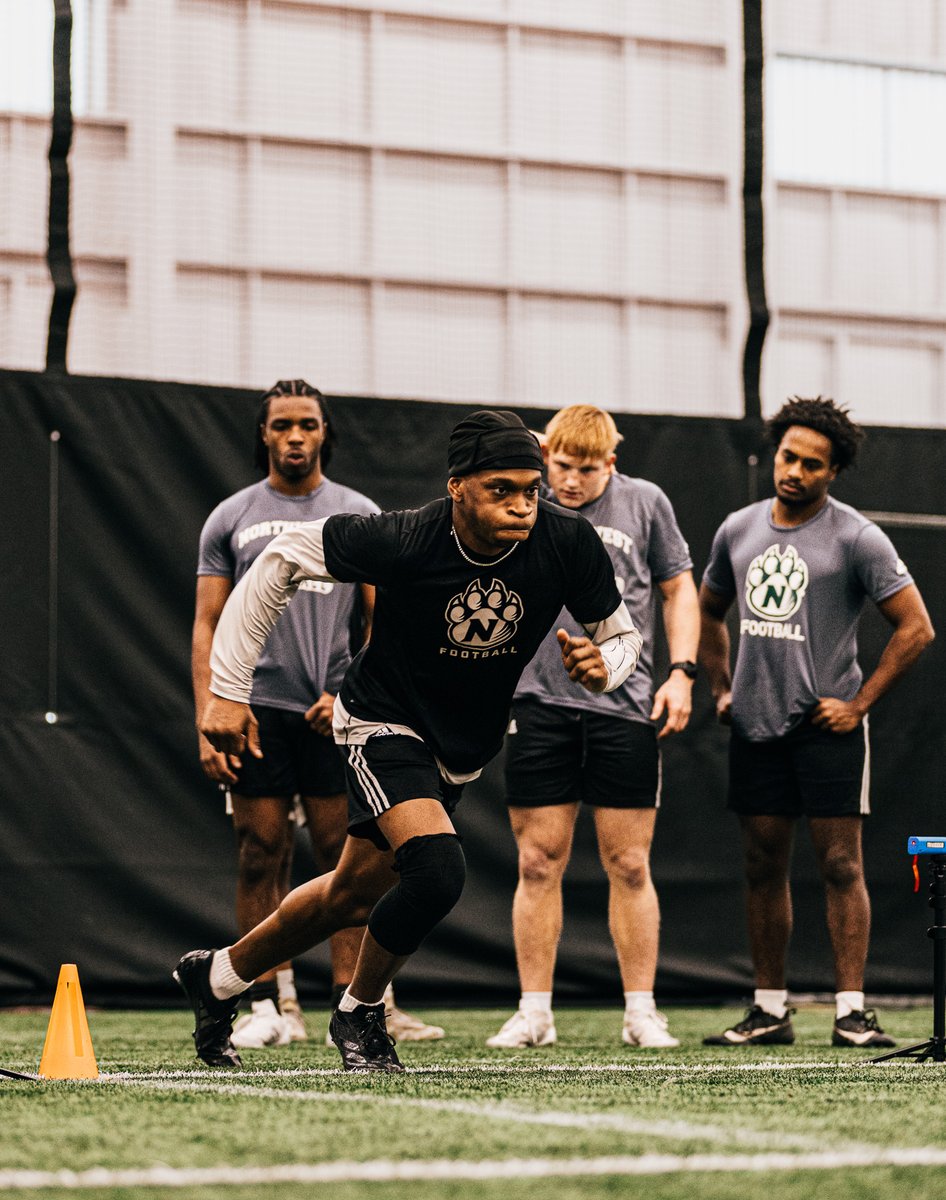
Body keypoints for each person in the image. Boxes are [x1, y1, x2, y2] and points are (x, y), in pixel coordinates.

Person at [175, 409, 643, 1072]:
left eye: (530, 490)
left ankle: (218, 976)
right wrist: (228, 690)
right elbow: (280, 560)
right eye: (501, 490)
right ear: (457, 487)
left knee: (349, 894)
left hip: (462, 746)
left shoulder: (567, 541)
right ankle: (361, 1012)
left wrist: (605, 668)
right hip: (381, 720)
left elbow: (620, 636)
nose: (522, 505)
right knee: (437, 870)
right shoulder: (404, 537)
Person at [192, 378, 442, 1051]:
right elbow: (208, 622)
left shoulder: (357, 511)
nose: (295, 436)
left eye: (307, 424)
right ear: (264, 435)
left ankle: (353, 1004)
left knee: (348, 863)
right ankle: (266, 1005)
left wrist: (352, 692)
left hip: (335, 713)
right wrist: (211, 709)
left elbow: (385, 619)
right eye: (282, 425)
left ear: (325, 432)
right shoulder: (231, 517)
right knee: (259, 853)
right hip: (255, 710)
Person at [699, 397, 935, 1048]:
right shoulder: (737, 529)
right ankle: (769, 1011)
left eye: (811, 464)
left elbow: (916, 628)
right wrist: (721, 687)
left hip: (826, 728)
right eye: (788, 457)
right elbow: (708, 609)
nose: (795, 472)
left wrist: (858, 705)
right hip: (755, 726)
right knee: (760, 864)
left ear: (833, 472)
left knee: (839, 865)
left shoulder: (858, 536)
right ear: (774, 454)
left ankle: (851, 1013)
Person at [486, 405, 698, 1051]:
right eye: (562, 466)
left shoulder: (646, 503)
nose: (572, 481)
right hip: (538, 703)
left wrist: (682, 673)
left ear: (612, 461)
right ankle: (534, 1013)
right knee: (536, 860)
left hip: (625, 704)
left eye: (586, 469)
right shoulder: (525, 501)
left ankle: (641, 1013)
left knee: (629, 863)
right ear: (545, 456)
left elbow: (678, 589)